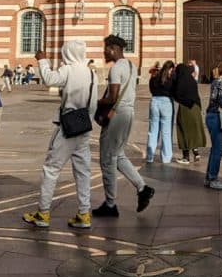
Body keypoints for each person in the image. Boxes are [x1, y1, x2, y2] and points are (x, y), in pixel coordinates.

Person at [23, 40, 98, 229]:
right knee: (83, 172)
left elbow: (49, 79)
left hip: (68, 126)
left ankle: (43, 213)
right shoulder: (92, 73)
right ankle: (84, 214)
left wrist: (42, 61)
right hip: (83, 126)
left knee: (51, 169)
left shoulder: (68, 70)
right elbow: (93, 103)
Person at [94, 35, 154, 215]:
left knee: (107, 159)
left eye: (105, 48)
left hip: (117, 115)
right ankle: (143, 188)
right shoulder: (131, 65)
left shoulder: (115, 69)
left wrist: (95, 102)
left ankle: (110, 204)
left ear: (113, 49)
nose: (103, 52)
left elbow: (112, 98)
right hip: (128, 113)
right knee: (118, 155)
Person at [203, 62, 222, 190]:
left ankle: (208, 177)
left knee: (214, 148)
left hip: (210, 115)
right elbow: (220, 99)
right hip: (215, 116)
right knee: (218, 150)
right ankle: (213, 178)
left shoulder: (216, 81)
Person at [172, 61, 206, 163]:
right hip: (195, 108)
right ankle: (196, 153)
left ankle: (185, 157)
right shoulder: (192, 80)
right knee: (194, 131)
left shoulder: (181, 81)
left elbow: (177, 94)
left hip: (185, 108)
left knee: (183, 130)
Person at [146, 60, 175, 164]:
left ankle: (149, 156)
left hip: (154, 101)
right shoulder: (170, 78)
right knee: (166, 132)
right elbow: (173, 91)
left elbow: (151, 88)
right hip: (166, 103)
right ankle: (166, 158)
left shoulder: (154, 76)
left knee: (152, 131)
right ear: (171, 68)